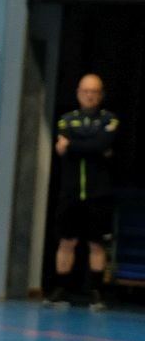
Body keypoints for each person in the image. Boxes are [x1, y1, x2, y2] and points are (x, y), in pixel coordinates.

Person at [44, 74, 119, 310]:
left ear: (101, 95)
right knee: (67, 241)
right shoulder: (66, 119)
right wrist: (93, 146)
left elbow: (101, 143)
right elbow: (92, 146)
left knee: (96, 243)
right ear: (78, 93)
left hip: (99, 193)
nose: (90, 95)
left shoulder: (110, 119)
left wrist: (73, 145)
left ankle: (96, 293)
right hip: (71, 192)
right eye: (86, 91)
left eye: (94, 91)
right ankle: (60, 289)